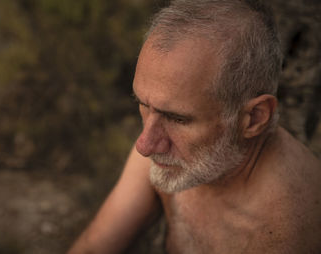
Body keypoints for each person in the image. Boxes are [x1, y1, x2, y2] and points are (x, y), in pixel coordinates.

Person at [68, 0, 321, 253]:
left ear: (254, 118)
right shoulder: (176, 153)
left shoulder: (287, 232)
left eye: (177, 119)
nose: (144, 145)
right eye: (144, 104)